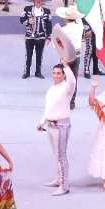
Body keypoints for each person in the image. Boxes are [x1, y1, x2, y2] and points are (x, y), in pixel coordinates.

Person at [38, 62, 76, 196]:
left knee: (61, 156)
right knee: (56, 154)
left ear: (64, 74)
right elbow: (49, 107)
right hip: (51, 125)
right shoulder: (52, 89)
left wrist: (66, 66)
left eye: (59, 73)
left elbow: (73, 80)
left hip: (61, 126)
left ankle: (64, 186)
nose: (56, 75)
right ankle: (58, 179)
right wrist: (42, 122)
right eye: (54, 73)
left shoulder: (67, 87)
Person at [56, 5, 84, 108]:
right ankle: (72, 102)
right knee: (74, 78)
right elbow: (80, 20)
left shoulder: (63, 30)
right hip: (77, 55)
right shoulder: (80, 27)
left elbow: (58, 44)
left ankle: (64, 100)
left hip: (66, 56)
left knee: (64, 79)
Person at [20, 0, 53, 79]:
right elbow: (21, 20)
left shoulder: (47, 11)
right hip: (29, 37)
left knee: (39, 56)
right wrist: (28, 21)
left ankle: (38, 72)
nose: (38, 1)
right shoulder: (27, 9)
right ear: (33, 1)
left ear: (42, 1)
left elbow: (49, 24)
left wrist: (49, 36)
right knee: (28, 55)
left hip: (41, 37)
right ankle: (26, 72)